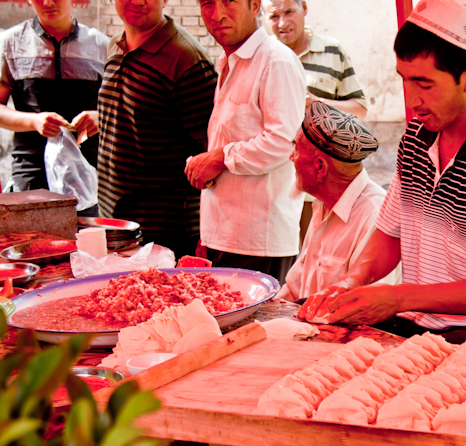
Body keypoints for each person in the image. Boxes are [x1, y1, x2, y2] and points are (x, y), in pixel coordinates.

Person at [299, 0, 466, 355]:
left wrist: (397, 297)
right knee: (310, 333)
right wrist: (351, 282)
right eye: (404, 80)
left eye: (424, 84)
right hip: (420, 325)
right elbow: (389, 235)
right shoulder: (416, 138)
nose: (412, 99)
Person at [188, 0, 306, 284]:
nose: (217, 14)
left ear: (254, 6)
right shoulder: (229, 62)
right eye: (207, 4)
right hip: (225, 234)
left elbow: (284, 143)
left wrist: (218, 157)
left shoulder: (276, 60)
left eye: (229, 1)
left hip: (258, 241)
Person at [97, 0, 218, 259]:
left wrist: (204, 234)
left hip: (163, 233)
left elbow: (211, 148)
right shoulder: (114, 45)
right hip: (114, 224)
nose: (138, 1)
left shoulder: (186, 59)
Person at [278, 101, 399, 302]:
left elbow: (364, 310)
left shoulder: (375, 215)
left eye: (297, 150)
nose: (292, 157)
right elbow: (294, 290)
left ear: (319, 168)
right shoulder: (323, 205)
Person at [0, 0, 108, 215]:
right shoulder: (11, 42)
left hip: (87, 175)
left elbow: (121, 108)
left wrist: (100, 117)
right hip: (31, 172)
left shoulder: (99, 44)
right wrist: (33, 121)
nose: (48, 3)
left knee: (87, 245)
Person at [266, 0, 367, 121]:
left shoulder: (332, 50)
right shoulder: (262, 54)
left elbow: (360, 111)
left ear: (304, 7)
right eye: (274, 16)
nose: (282, 23)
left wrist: (318, 104)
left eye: (289, 12)